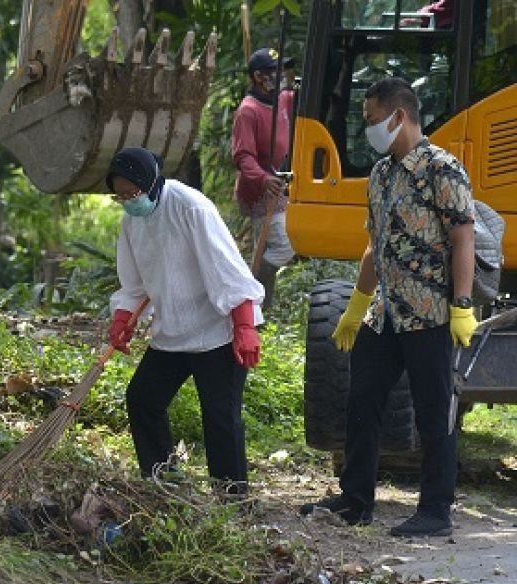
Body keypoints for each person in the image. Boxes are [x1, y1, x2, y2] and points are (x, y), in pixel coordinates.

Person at [300, 78, 476, 537]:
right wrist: (356, 306)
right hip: (385, 314)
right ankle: (355, 500)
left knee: (433, 413)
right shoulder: (381, 174)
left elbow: (463, 240)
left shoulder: (442, 169)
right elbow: (374, 246)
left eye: (373, 119)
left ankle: (435, 511)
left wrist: (461, 305)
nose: (368, 129)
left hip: (429, 313)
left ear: (399, 116)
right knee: (362, 401)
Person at [105, 148, 265, 493]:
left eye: (132, 193)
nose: (129, 201)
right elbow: (134, 284)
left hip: (218, 330)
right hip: (173, 331)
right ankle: (165, 484)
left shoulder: (190, 207)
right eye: (120, 196)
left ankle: (232, 501)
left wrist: (245, 326)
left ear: (150, 182)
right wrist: (122, 319)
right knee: (143, 399)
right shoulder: (131, 221)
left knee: (220, 416)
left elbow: (229, 272)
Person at [231, 47, 296, 310]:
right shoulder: (248, 110)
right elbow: (243, 155)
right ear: (259, 77)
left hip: (278, 184)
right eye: (275, 71)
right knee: (282, 246)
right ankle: (249, 289)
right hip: (260, 190)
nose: (281, 76)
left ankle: (261, 306)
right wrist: (263, 178)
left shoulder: (282, 99)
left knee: (268, 245)